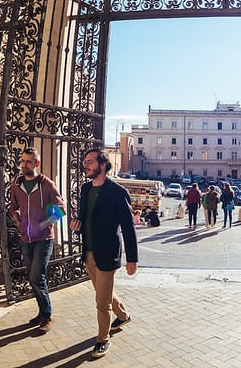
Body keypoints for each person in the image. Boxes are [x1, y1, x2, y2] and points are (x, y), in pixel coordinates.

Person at [69, 148, 138, 359]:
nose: (85, 165)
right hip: (88, 251)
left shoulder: (117, 192)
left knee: (101, 302)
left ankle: (103, 339)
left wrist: (132, 259)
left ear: (102, 165)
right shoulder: (85, 189)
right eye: (84, 162)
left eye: (89, 162)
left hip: (108, 253)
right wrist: (76, 225)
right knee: (102, 292)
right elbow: (83, 217)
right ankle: (123, 315)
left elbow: (128, 227)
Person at [9, 146, 66, 334]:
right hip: (26, 239)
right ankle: (42, 312)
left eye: (29, 161)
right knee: (33, 278)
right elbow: (14, 207)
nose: (24, 165)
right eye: (23, 161)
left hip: (44, 239)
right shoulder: (16, 185)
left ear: (37, 163)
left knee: (37, 277)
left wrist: (43, 225)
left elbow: (61, 209)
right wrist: (18, 221)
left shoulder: (47, 185)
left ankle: (47, 316)